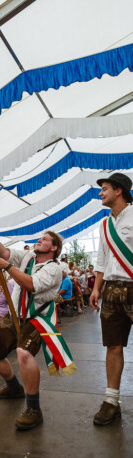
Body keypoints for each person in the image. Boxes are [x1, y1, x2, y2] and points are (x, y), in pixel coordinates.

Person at [0, 227, 76, 430]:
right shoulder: (27, 256)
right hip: (15, 313)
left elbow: (31, 284)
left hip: (37, 317)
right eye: (40, 238)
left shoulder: (54, 269)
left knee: (23, 353)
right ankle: (14, 387)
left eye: (45, 239)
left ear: (54, 247)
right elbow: (4, 253)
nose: (40, 240)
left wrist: (7, 267)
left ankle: (34, 408)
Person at [90, 172, 133, 426]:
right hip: (111, 291)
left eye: (104, 188)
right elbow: (102, 260)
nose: (100, 193)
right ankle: (111, 400)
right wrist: (97, 288)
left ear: (118, 190)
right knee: (113, 346)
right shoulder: (104, 225)